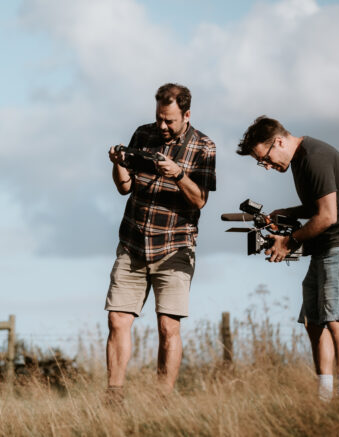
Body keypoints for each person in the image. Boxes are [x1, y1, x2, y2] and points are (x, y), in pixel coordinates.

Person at [237, 116, 339, 401]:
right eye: (261, 163)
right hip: (324, 247)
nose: (267, 166)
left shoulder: (314, 158)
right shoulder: (300, 159)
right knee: (314, 320)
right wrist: (287, 213)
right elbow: (318, 203)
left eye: (265, 159)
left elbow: (328, 216)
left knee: (337, 318)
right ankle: (325, 396)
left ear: (278, 142)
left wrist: (288, 242)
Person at [105, 83, 216, 396]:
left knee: (169, 326)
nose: (163, 126)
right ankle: (114, 394)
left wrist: (178, 174)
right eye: (159, 119)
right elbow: (124, 186)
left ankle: (162, 397)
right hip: (133, 242)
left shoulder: (204, 146)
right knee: (117, 319)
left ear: (187, 114)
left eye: (169, 120)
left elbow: (200, 201)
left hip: (175, 247)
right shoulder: (143, 134)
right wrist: (117, 163)